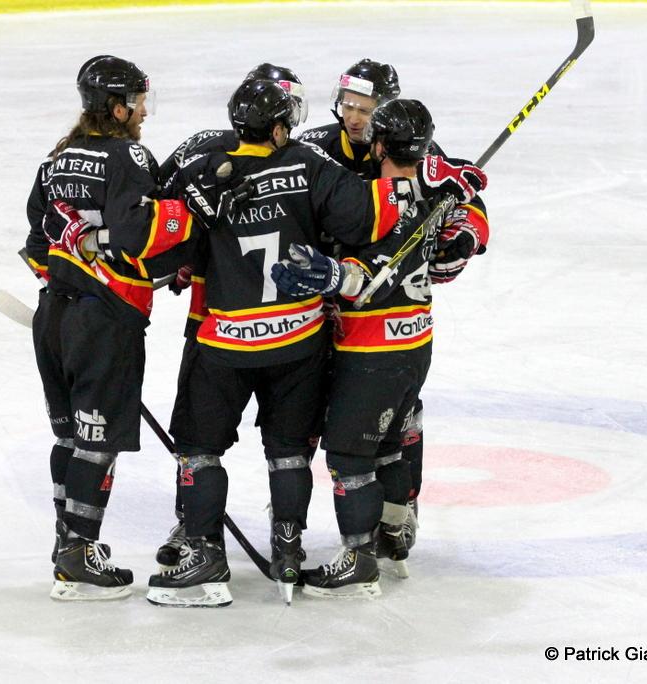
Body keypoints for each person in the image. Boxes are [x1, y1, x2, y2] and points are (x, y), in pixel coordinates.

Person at [146, 80, 484, 607]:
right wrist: (438, 193)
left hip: (234, 340)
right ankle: (294, 547)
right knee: (309, 448)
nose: (355, 116)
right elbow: (375, 213)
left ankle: (206, 548)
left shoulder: (202, 166)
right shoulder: (313, 160)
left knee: (203, 448)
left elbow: (154, 244)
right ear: (283, 126)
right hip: (314, 339)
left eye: (365, 109)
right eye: (349, 106)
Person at [272, 98, 486, 597]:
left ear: (380, 145)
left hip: (372, 350)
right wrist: (460, 222)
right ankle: (393, 537)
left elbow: (365, 282)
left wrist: (328, 274)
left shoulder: (376, 202)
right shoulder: (433, 197)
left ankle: (358, 559)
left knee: (349, 454)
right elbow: (440, 264)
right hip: (415, 343)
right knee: (388, 445)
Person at [24, 55, 197, 601]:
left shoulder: (56, 159)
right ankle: (79, 552)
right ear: (117, 108)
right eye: (138, 102)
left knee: (70, 436)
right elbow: (141, 233)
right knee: (96, 442)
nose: (143, 112)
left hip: (53, 315)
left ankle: (66, 543)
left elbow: (36, 243)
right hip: (106, 320)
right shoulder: (129, 156)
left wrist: (74, 274)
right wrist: (179, 238)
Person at [152, 63, 308, 568]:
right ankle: (260, 533)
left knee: (198, 435)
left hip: (217, 322)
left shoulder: (206, 150)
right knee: (281, 438)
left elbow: (156, 209)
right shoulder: (304, 160)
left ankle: (197, 531)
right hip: (270, 323)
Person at [296, 59, 399, 180]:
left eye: (364, 111)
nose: (353, 120)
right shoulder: (311, 145)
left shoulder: (403, 151)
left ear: (385, 113)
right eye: (348, 107)